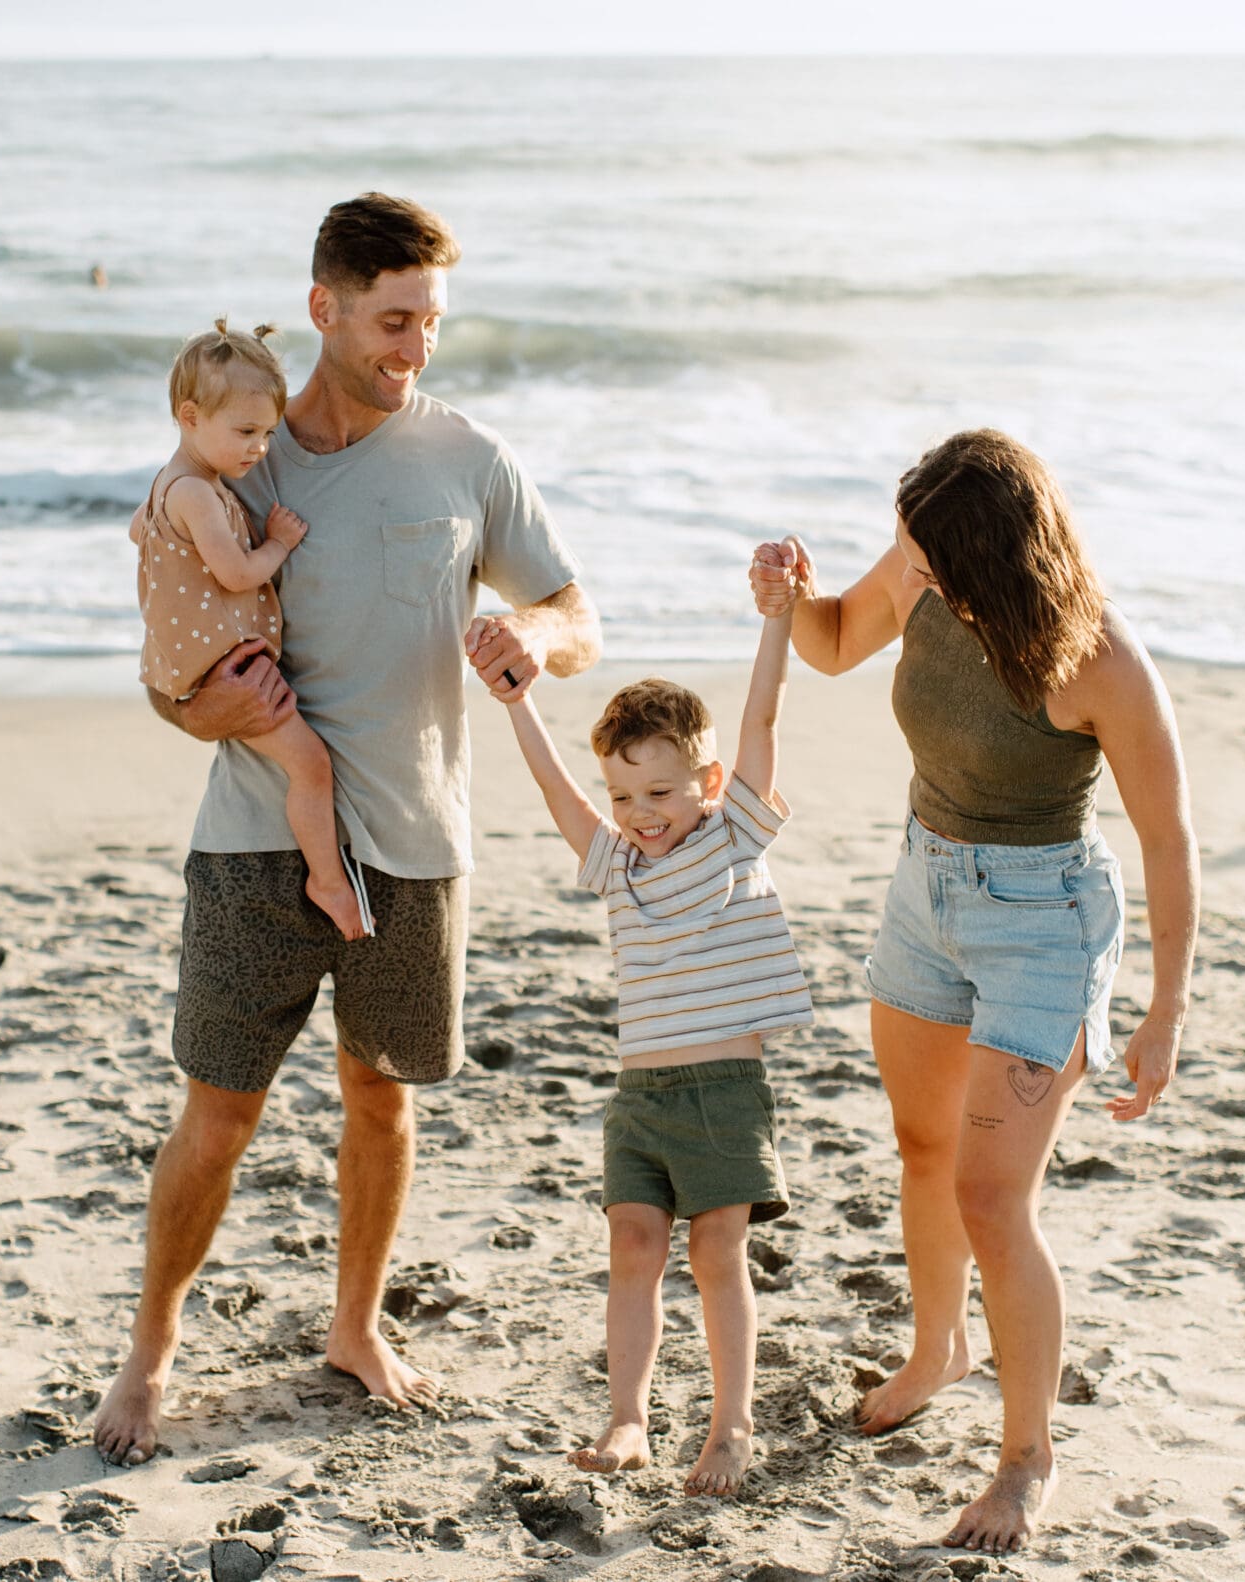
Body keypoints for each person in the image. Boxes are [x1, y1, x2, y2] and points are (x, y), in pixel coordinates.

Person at [89, 193, 601, 1465]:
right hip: (254, 842)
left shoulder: (469, 456)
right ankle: (148, 1352)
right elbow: (172, 658)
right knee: (217, 1114)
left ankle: (355, 1327)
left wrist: (527, 637)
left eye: (430, 321)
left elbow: (576, 613)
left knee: (380, 1099)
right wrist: (202, 705)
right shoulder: (240, 457)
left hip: (418, 842)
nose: (414, 347)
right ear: (324, 308)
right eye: (391, 320)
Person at [749, 428, 1198, 1554]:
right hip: (925, 886)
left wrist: (1164, 1008)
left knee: (995, 1197)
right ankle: (937, 1347)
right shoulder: (919, 566)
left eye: (932, 556)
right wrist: (787, 595)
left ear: (992, 556)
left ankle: (1026, 1456)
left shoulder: (1099, 660)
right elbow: (837, 640)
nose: (914, 570)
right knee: (921, 1148)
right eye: (910, 548)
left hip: (1044, 923)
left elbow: (1167, 838)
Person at [496, 606, 812, 1497]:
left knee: (717, 1253)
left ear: (706, 784)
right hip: (640, 1100)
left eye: (661, 794)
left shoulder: (732, 835)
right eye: (625, 796)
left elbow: (761, 719)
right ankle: (628, 1419)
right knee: (633, 1247)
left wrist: (777, 619)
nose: (640, 814)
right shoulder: (615, 864)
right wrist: (518, 701)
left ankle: (731, 1427)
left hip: (722, 1092)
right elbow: (561, 793)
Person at [128, 319, 365, 940]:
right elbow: (235, 575)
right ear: (189, 416)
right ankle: (326, 878)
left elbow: (137, 532)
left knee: (304, 763)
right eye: (245, 432)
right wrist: (278, 544)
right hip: (226, 668)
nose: (258, 449)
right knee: (311, 765)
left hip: (199, 659)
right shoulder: (199, 495)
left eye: (265, 433)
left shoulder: (170, 484)